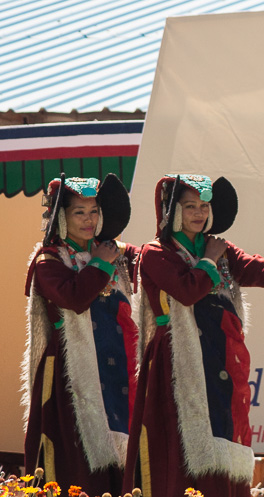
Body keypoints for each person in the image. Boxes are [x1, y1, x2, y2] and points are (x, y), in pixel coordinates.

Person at [123, 174, 264, 497]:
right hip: (175, 364)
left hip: (219, 358)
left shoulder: (219, 248)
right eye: (190, 206)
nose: (199, 213)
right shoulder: (156, 253)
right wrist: (209, 260)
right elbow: (186, 291)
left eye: (204, 206)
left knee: (224, 438)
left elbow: (259, 269)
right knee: (178, 447)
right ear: (172, 210)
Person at [23, 174, 139, 496]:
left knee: (121, 453)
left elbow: (154, 262)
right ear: (61, 217)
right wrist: (100, 263)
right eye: (79, 212)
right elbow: (74, 299)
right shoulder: (49, 260)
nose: (89, 219)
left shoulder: (116, 252)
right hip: (70, 376)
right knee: (77, 461)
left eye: (94, 211)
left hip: (117, 370)